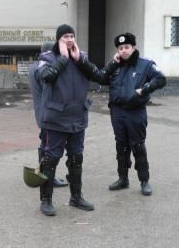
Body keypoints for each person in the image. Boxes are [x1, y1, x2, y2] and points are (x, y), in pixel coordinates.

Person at [31, 24, 115, 216]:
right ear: (58, 40)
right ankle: (46, 200)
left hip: (77, 118)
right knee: (50, 159)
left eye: (72, 36)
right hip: (55, 119)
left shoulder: (81, 57)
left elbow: (100, 77)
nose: (69, 39)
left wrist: (79, 60)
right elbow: (46, 76)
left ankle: (76, 197)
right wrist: (63, 58)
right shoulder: (48, 58)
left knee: (76, 158)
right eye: (65, 37)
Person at [75, 32, 166, 196]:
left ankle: (144, 181)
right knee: (121, 146)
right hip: (117, 112)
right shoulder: (115, 66)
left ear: (133, 48)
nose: (123, 50)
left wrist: (145, 89)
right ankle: (123, 179)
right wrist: (112, 64)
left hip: (136, 112)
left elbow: (160, 79)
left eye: (126, 47)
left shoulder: (145, 65)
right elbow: (100, 78)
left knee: (138, 146)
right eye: (120, 48)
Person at [29, 42, 68, 199]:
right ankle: (46, 177)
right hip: (47, 114)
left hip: (41, 112)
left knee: (45, 144)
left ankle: (44, 174)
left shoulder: (34, 66)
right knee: (47, 146)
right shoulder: (42, 68)